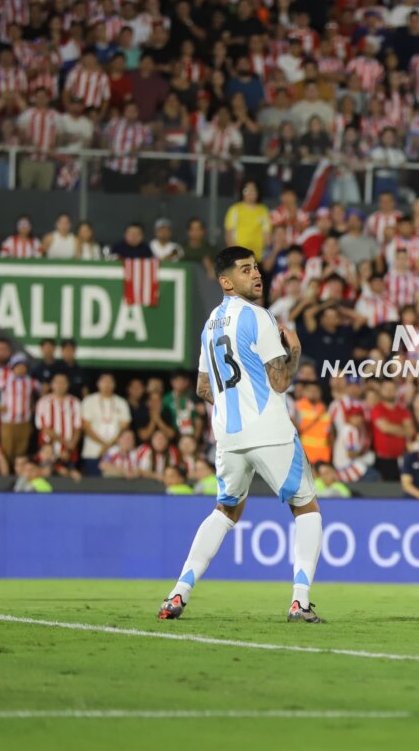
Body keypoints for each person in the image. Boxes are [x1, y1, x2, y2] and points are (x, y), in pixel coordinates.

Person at [158, 246, 323, 623]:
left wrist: (235, 400)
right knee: (307, 508)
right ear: (226, 281)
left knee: (225, 511)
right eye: (246, 270)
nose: (256, 275)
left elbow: (203, 388)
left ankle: (178, 593)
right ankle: (300, 600)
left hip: (228, 438)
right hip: (269, 431)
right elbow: (279, 382)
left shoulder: (209, 324)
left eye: (256, 268)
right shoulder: (259, 317)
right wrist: (294, 352)